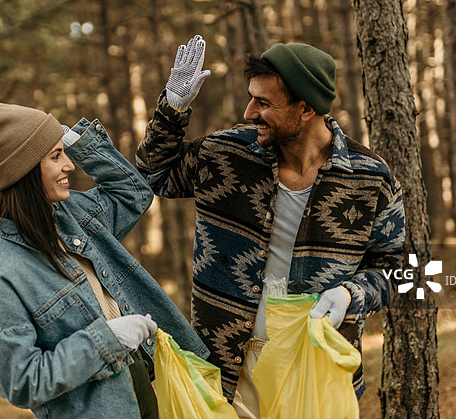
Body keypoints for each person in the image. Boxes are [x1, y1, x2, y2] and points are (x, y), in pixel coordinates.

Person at [136, 36, 404, 418]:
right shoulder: (226, 155)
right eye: (251, 98)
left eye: (264, 103)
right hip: (226, 364)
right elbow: (154, 176)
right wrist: (173, 108)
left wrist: (350, 294)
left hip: (314, 366)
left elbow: (397, 269)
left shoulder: (369, 177)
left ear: (306, 107)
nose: (248, 112)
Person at [0, 101, 207, 418]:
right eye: (56, 157)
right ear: (26, 170)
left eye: (63, 152)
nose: (69, 165)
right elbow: (20, 382)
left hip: (141, 386)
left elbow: (133, 193)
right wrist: (105, 340)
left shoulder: (74, 215)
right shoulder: (1, 275)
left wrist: (76, 141)